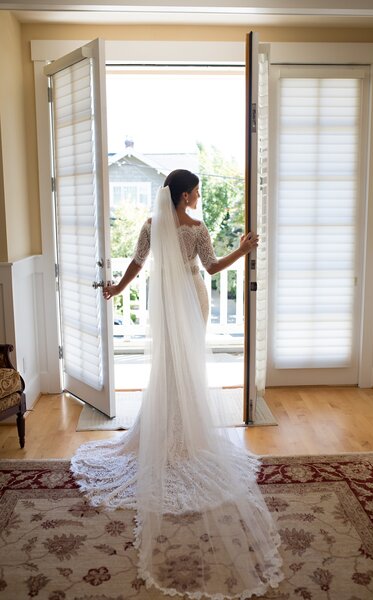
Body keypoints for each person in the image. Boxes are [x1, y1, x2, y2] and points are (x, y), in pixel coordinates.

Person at [71, 170, 283, 599]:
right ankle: (183, 431)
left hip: (164, 300)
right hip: (191, 296)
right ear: (185, 195)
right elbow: (211, 266)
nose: (199, 197)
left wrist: (118, 288)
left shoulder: (153, 225)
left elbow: (137, 262)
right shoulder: (197, 228)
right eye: (197, 192)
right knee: (184, 366)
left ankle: (172, 427)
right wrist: (242, 250)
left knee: (170, 366)